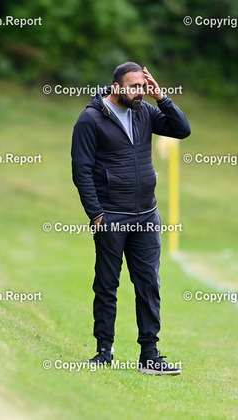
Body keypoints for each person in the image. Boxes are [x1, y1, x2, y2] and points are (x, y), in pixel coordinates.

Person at [71, 62, 191, 375]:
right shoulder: (90, 119)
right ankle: (104, 350)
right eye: (134, 87)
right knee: (107, 284)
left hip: (146, 215)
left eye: (143, 87)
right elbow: (81, 171)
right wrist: (96, 213)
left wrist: (161, 97)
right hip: (111, 216)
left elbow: (182, 129)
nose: (140, 92)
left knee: (148, 283)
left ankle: (150, 355)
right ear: (116, 87)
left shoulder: (145, 112)